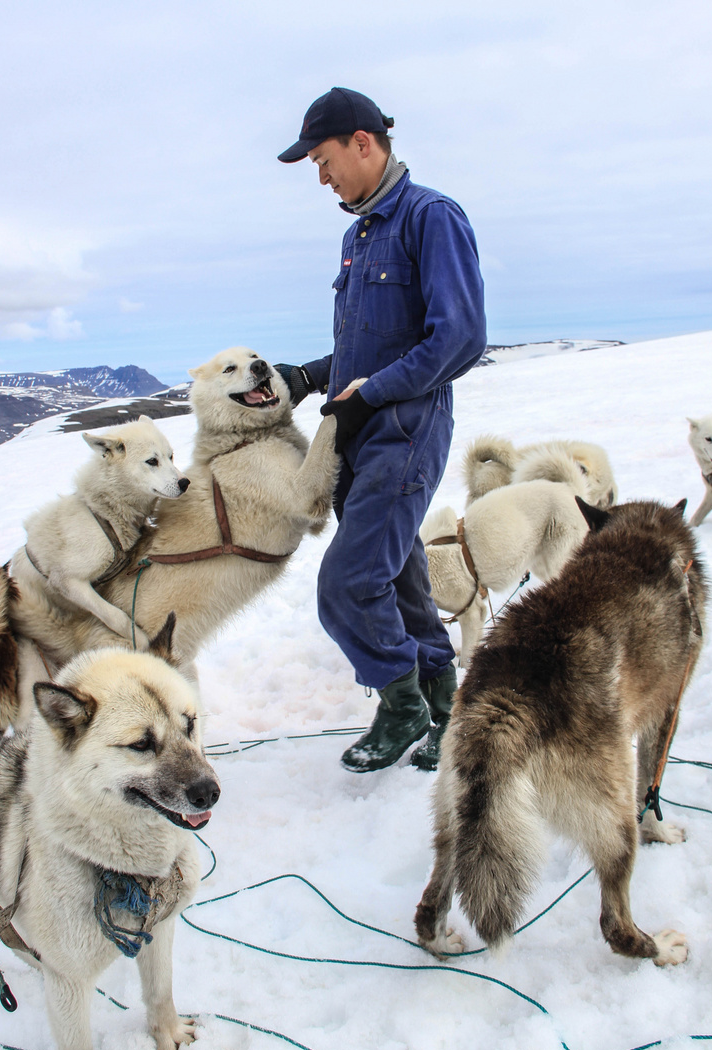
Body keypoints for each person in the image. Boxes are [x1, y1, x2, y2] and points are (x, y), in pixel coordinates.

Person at [276, 87, 486, 772]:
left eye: (323, 158)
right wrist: (311, 376)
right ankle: (444, 708)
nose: (320, 175)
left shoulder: (432, 218)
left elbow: (459, 337)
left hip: (407, 431)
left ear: (363, 142)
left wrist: (376, 395)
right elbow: (370, 348)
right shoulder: (358, 234)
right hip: (362, 433)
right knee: (395, 577)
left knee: (349, 581)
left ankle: (401, 708)